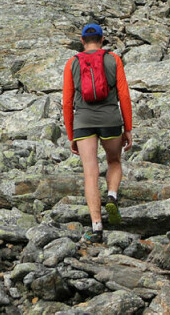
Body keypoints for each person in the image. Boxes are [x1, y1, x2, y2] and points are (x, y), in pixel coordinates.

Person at [62, 23, 133, 244]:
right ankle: (112, 195)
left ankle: (96, 227)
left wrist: (71, 133)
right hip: (110, 119)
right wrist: (128, 128)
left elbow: (66, 101)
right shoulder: (114, 59)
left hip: (83, 122)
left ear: (82, 41)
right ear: (102, 40)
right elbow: (124, 95)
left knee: (90, 172)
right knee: (114, 161)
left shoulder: (72, 63)